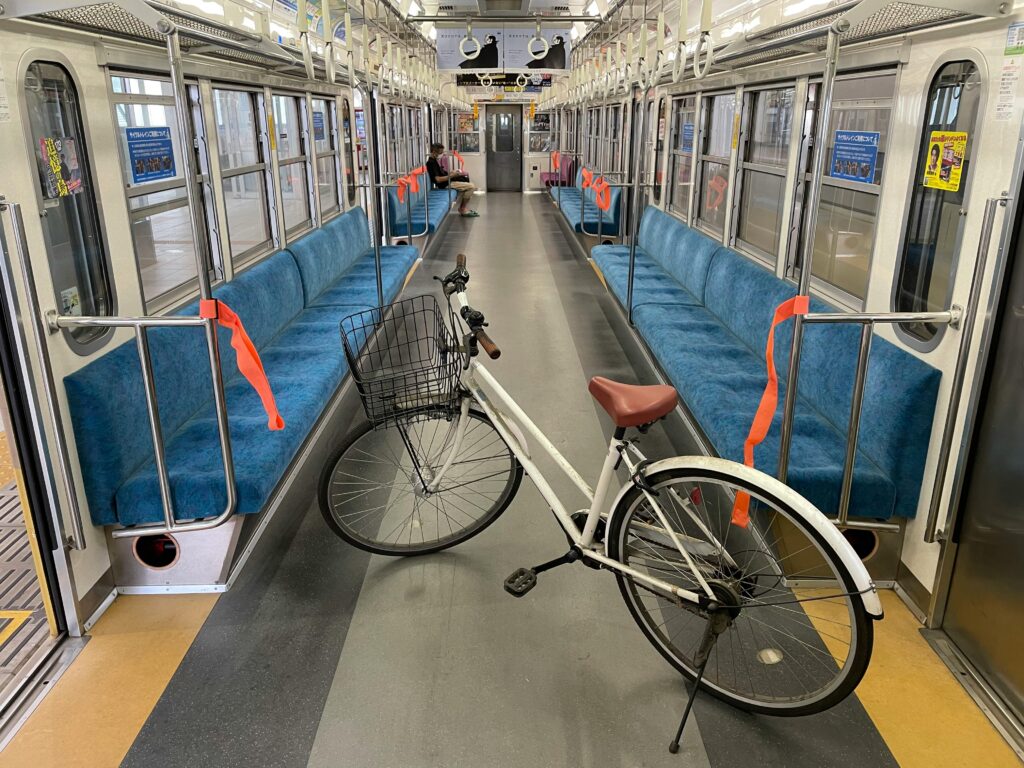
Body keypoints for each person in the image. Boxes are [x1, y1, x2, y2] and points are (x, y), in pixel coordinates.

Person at [426, 143, 478, 217]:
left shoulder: (434, 161)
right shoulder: (431, 163)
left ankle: (462, 207)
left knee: (465, 179)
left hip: (448, 181)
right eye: (440, 153)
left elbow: (442, 174)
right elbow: (438, 180)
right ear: (434, 152)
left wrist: (452, 173)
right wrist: (451, 176)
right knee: (471, 187)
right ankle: (462, 208)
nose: (442, 154)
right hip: (445, 184)